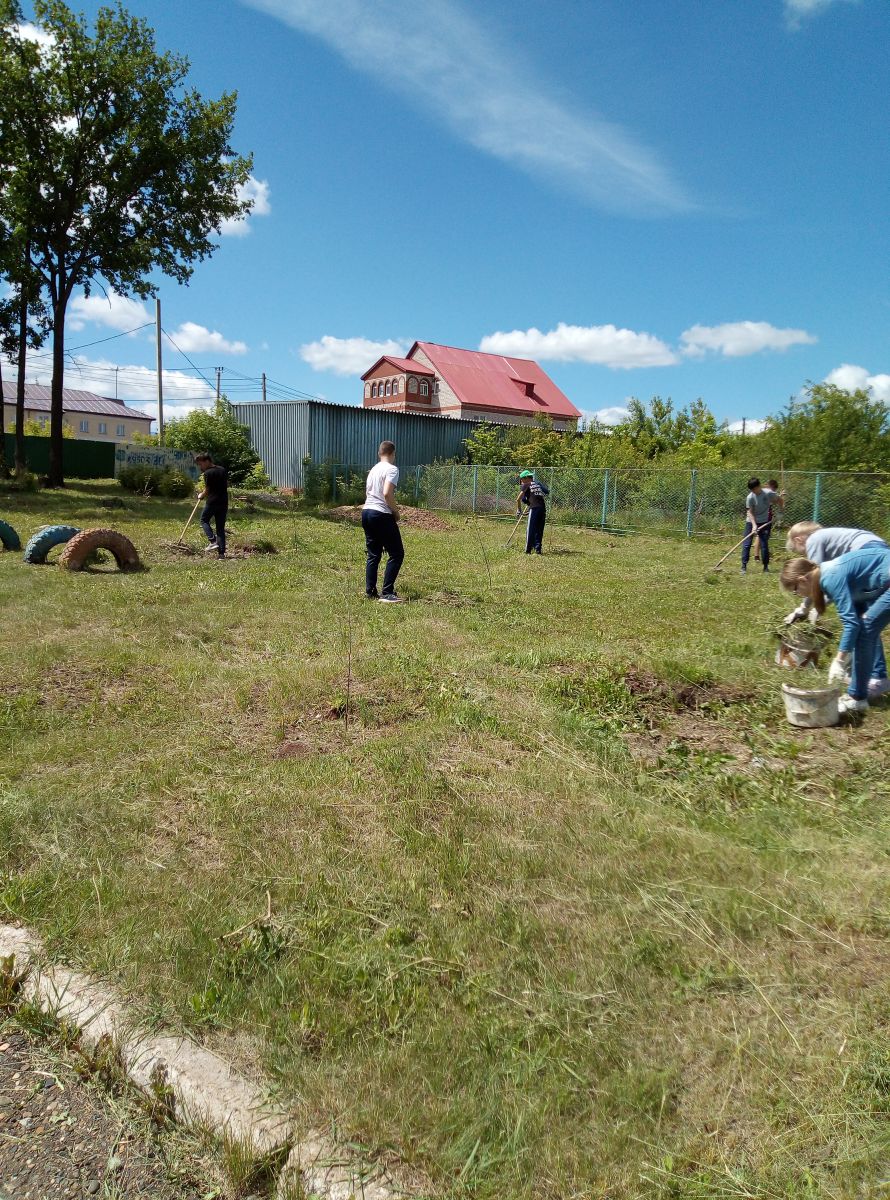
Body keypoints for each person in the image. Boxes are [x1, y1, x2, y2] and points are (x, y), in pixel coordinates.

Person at [782, 521, 890, 699]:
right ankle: (864, 679)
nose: (797, 594)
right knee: (865, 623)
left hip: (875, 559)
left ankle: (867, 685)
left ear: (799, 539)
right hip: (877, 560)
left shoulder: (815, 542)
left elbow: (820, 579)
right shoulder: (831, 567)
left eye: (795, 590)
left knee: (865, 627)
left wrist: (839, 660)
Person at [362, 440, 405, 603]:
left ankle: (370, 591)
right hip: (381, 513)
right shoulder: (392, 469)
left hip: (366, 512)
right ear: (393, 453)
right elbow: (387, 493)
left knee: (374, 554)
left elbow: (368, 492)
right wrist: (395, 511)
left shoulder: (373, 469)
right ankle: (387, 593)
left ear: (379, 453)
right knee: (397, 553)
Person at [741, 477, 783, 574]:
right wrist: (754, 525)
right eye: (751, 490)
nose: (753, 491)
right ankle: (743, 567)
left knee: (764, 544)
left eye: (754, 489)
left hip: (764, 522)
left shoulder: (768, 493)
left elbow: (779, 500)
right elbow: (750, 512)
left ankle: (765, 567)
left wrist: (780, 512)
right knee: (747, 544)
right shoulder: (750, 497)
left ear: (759, 486)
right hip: (750, 522)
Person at [195, 452, 228, 559]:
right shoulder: (222, 470)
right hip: (224, 502)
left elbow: (207, 489)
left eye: (201, 464)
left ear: (207, 461)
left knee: (204, 520)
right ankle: (221, 554)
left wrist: (201, 495)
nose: (200, 467)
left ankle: (212, 541)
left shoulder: (208, 473)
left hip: (213, 501)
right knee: (220, 528)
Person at [516, 469, 550, 555]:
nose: (521, 482)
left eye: (521, 479)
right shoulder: (537, 483)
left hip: (534, 509)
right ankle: (538, 549)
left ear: (526, 478)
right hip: (542, 509)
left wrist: (519, 510)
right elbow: (547, 491)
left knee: (530, 529)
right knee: (539, 529)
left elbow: (519, 499)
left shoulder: (526, 485)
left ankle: (528, 550)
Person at [754, 479, 782, 562]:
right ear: (770, 486)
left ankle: (760, 555)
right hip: (763, 515)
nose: (774, 491)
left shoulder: (764, 492)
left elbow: (773, 501)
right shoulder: (765, 492)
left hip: (766, 514)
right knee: (760, 535)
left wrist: (779, 496)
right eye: (774, 489)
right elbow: (773, 501)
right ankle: (757, 556)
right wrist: (780, 497)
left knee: (762, 536)